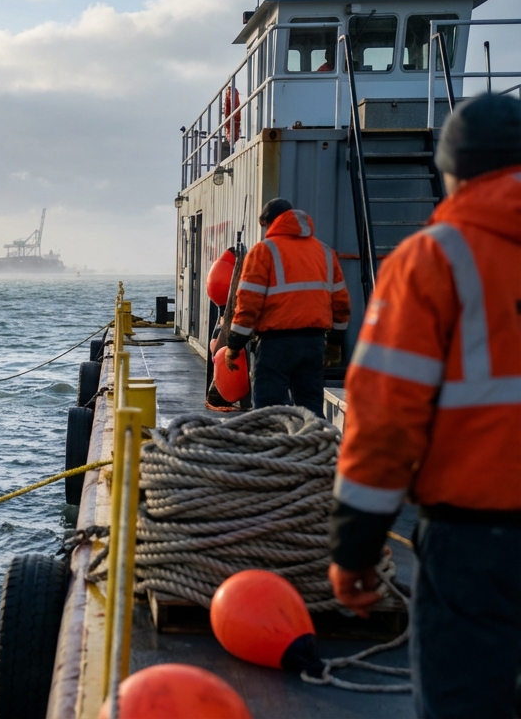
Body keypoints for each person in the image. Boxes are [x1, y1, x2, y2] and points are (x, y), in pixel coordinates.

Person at [328, 93, 521, 719]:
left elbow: (384, 421)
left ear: (452, 171)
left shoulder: (432, 259)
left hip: (477, 544)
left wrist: (355, 551)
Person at [223, 198, 351, 414]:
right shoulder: (325, 252)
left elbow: (248, 304)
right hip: (314, 344)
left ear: (267, 222)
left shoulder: (263, 251)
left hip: (276, 344)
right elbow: (341, 303)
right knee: (310, 408)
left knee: (269, 410)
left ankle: (275, 445)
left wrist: (234, 345)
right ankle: (311, 446)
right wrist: (335, 343)